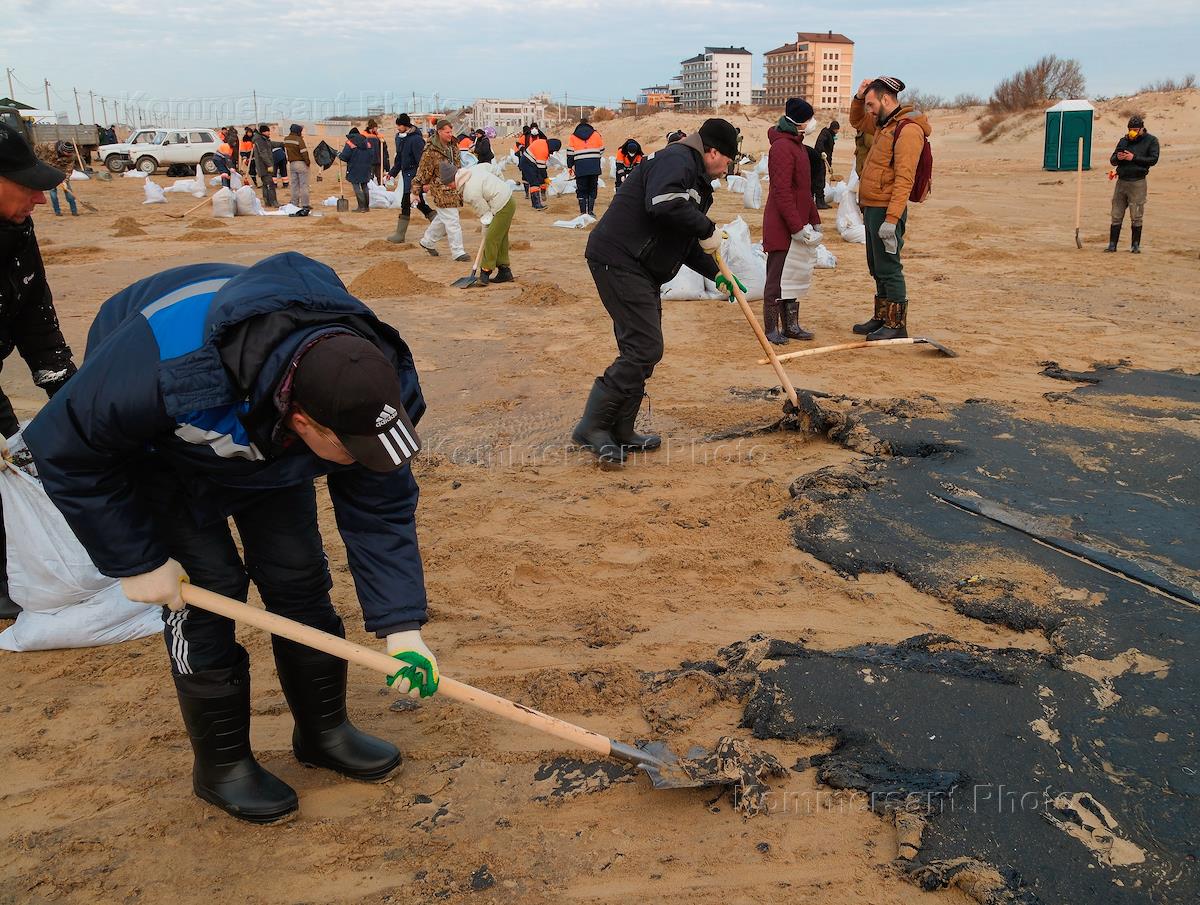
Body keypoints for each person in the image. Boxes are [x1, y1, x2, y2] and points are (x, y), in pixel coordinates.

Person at [23, 252, 438, 824]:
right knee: (209, 591)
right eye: (350, 449)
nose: (361, 458)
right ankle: (222, 765)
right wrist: (136, 560)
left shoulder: (373, 384)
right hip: (162, 450)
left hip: (265, 443)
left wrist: (402, 627)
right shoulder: (168, 368)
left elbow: (381, 507)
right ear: (304, 421)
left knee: (299, 576)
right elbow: (63, 446)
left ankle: (324, 731)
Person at [573, 118, 743, 466]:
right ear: (712, 152)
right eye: (728, 160)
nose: (728, 169)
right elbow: (662, 203)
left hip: (640, 267)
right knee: (645, 346)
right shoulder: (677, 160)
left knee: (642, 349)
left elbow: (684, 240)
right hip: (619, 259)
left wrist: (716, 274)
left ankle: (622, 428)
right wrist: (707, 227)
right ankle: (592, 427)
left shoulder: (695, 179)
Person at [0, 122, 79, 619]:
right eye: (26, 186)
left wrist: (71, 400)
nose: (38, 198)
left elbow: (36, 319)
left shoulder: (16, 231)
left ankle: (14, 573)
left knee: (12, 463)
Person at [848, 76, 931, 341]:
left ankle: (896, 324)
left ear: (886, 99)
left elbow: (905, 179)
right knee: (876, 266)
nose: (869, 111)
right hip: (873, 206)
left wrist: (892, 218)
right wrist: (859, 97)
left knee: (889, 267)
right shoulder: (884, 124)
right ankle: (882, 316)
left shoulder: (907, 131)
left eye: (872, 105)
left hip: (886, 209)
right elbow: (856, 121)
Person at [763, 98, 821, 345]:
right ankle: (771, 328)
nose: (812, 123)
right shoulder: (782, 148)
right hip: (782, 224)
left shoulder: (798, 146)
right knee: (777, 278)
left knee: (794, 275)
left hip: (797, 222)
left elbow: (804, 190)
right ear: (799, 122)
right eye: (809, 119)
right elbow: (782, 191)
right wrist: (796, 227)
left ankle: (791, 325)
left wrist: (814, 219)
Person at [413, 119, 468, 260]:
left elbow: (458, 165)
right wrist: (416, 190)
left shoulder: (453, 146)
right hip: (440, 189)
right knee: (452, 220)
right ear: (439, 132)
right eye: (447, 132)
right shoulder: (430, 151)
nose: (450, 134)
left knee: (444, 219)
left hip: (454, 187)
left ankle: (427, 241)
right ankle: (458, 252)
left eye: (451, 131)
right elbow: (422, 171)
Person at [455, 164, 516, 286]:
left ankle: (485, 273)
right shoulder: (472, 170)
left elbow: (486, 214)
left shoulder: (469, 193)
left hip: (502, 206)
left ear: (454, 182)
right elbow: (493, 168)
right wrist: (501, 185)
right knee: (500, 237)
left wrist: (486, 229)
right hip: (508, 199)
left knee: (491, 238)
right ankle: (504, 271)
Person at [1106, 114, 1159, 254]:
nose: (1132, 132)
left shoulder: (1151, 141)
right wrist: (1118, 157)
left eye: (1135, 130)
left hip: (1138, 182)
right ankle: (1112, 245)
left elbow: (1153, 160)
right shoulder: (1124, 141)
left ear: (1142, 129)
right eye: (1130, 129)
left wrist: (1133, 157)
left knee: (1136, 215)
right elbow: (1112, 160)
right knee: (1116, 213)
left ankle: (1135, 245)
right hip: (1121, 181)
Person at [386, 114, 432, 243]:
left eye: (399, 125)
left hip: (415, 177)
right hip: (406, 175)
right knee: (420, 203)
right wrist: (392, 173)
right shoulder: (399, 138)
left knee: (405, 203)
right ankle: (438, 224)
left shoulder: (416, 140)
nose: (398, 128)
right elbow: (399, 159)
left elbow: (422, 161)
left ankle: (400, 235)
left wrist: (424, 180)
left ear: (405, 125)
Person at [567, 116, 604, 217]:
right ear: (588, 123)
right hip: (594, 166)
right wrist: (594, 157)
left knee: (581, 189)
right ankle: (590, 211)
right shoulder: (596, 134)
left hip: (580, 167)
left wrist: (570, 165)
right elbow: (601, 149)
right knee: (593, 188)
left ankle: (583, 212)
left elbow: (570, 153)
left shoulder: (573, 136)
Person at [34, 141, 78, 216]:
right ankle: (57, 211)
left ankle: (74, 211)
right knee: (53, 192)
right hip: (49, 170)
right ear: (62, 150)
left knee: (68, 192)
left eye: (70, 153)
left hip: (61, 171)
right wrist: (37, 159)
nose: (69, 154)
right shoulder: (50, 147)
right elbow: (37, 147)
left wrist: (65, 181)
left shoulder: (72, 156)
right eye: (67, 153)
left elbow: (68, 170)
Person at [339, 127, 373, 212]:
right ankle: (366, 207)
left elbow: (345, 157)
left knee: (356, 186)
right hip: (366, 167)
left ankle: (361, 207)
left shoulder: (350, 142)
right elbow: (372, 154)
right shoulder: (367, 142)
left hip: (354, 168)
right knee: (364, 186)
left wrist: (339, 155)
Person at [517, 125, 551, 210]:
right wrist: (522, 149)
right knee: (533, 181)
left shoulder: (541, 137)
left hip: (535, 160)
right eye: (532, 128)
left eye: (536, 128)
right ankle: (534, 201)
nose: (534, 130)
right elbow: (518, 144)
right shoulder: (525, 136)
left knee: (539, 179)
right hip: (528, 160)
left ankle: (542, 194)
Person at [813, 120, 839, 209]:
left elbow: (829, 152)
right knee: (819, 181)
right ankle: (819, 202)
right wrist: (821, 152)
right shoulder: (825, 133)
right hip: (818, 159)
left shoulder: (831, 135)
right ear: (833, 128)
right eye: (836, 129)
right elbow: (819, 143)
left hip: (823, 160)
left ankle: (822, 201)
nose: (837, 131)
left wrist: (829, 166)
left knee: (822, 180)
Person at [251, 123, 279, 208]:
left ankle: (267, 202)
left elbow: (271, 144)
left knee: (265, 184)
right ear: (263, 132)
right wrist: (269, 164)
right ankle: (273, 202)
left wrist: (282, 144)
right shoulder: (260, 140)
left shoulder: (264, 139)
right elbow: (263, 154)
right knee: (270, 184)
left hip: (264, 166)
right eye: (268, 131)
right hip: (264, 167)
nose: (269, 133)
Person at [283, 124, 311, 209]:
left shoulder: (286, 139)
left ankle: (294, 203)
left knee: (294, 185)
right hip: (301, 163)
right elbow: (304, 152)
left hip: (292, 164)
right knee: (304, 185)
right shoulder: (299, 140)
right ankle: (305, 204)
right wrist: (308, 162)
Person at [363, 119, 389, 185]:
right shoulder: (364, 136)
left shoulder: (378, 136)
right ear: (372, 127)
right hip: (369, 161)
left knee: (380, 177)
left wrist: (385, 161)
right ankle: (370, 190)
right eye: (376, 127)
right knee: (370, 179)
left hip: (378, 161)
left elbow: (384, 148)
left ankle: (382, 189)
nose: (377, 129)